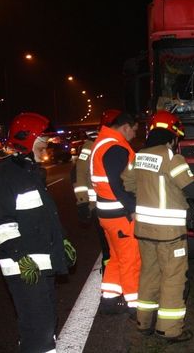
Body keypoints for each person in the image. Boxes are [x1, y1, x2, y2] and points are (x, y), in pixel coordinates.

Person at [134, 110, 194, 343]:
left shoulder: (139, 156)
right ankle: (169, 330)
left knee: (149, 275)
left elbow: (128, 183)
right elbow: (193, 189)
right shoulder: (171, 157)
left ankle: (144, 323)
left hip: (144, 231)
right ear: (172, 137)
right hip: (169, 233)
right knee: (173, 278)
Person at [0, 112, 76, 353]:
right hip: (23, 265)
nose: (47, 143)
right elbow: (1, 223)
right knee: (38, 328)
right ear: (27, 139)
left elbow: (45, 216)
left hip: (41, 261)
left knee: (46, 322)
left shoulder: (31, 172)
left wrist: (61, 239)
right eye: (42, 138)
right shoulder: (7, 175)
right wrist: (20, 256)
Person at [89, 111, 139, 317]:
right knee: (131, 260)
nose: (135, 135)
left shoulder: (102, 142)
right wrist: (132, 208)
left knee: (117, 257)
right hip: (120, 214)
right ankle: (135, 307)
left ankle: (109, 301)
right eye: (134, 130)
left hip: (107, 213)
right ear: (125, 126)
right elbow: (118, 184)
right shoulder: (115, 147)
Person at [71, 109, 120, 272]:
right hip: (97, 205)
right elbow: (80, 173)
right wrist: (83, 203)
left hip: (114, 204)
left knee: (116, 245)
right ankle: (109, 273)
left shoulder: (113, 143)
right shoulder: (91, 145)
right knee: (107, 246)